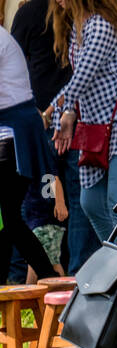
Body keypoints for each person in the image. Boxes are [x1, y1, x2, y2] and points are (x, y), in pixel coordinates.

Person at [11, 0, 98, 272]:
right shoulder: (79, 14)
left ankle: (22, 275)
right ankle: (76, 273)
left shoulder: (29, 13)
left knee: (31, 200)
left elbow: (13, 63)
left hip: (45, 119)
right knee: (76, 200)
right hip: (75, 118)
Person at [43, 0, 117, 242]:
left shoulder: (100, 25)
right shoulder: (78, 27)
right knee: (90, 203)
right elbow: (81, 83)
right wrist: (68, 112)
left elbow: (81, 77)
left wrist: (50, 111)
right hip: (96, 127)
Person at [0, 25, 59, 282]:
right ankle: (47, 278)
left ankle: (48, 278)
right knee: (9, 218)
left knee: (8, 217)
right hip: (12, 133)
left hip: (14, 135)